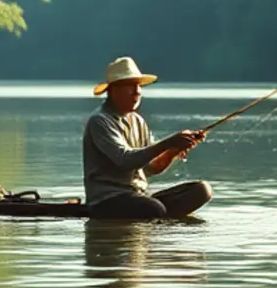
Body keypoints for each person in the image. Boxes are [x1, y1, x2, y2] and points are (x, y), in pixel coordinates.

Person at [82, 56, 213, 219]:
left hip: (137, 197)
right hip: (107, 200)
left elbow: (151, 168)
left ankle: (159, 219)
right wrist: (168, 142)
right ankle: (160, 220)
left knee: (201, 190)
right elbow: (126, 161)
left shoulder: (137, 121)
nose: (137, 91)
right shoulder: (100, 120)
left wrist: (174, 149)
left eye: (138, 86)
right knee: (154, 209)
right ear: (113, 90)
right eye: (130, 85)